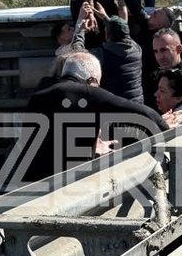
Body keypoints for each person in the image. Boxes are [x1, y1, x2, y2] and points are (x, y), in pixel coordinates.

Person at [21, 50, 165, 182]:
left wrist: (91, 146)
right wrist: (168, 129)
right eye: (98, 84)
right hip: (63, 185)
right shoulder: (87, 92)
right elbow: (141, 113)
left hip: (29, 182)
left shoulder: (39, 94)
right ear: (91, 81)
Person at [96, 15, 144, 104]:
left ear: (107, 33)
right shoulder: (136, 49)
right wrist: (105, 18)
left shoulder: (101, 54)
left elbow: (78, 53)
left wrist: (80, 30)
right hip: (138, 107)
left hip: (116, 109)